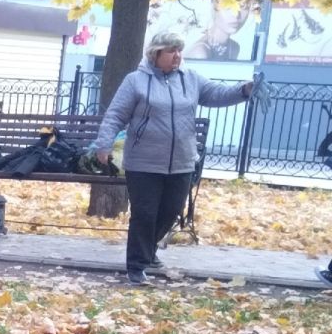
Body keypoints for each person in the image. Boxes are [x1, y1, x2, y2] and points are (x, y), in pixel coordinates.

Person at [92, 31, 256, 284]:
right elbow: (115, 114)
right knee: (144, 214)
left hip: (181, 161)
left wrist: (245, 90)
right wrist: (104, 144)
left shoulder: (189, 79)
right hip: (144, 162)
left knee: (170, 211)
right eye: (171, 51)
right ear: (156, 54)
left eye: (179, 50)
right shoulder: (135, 81)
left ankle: (148, 250)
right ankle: (136, 266)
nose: (177, 55)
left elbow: (217, 94)